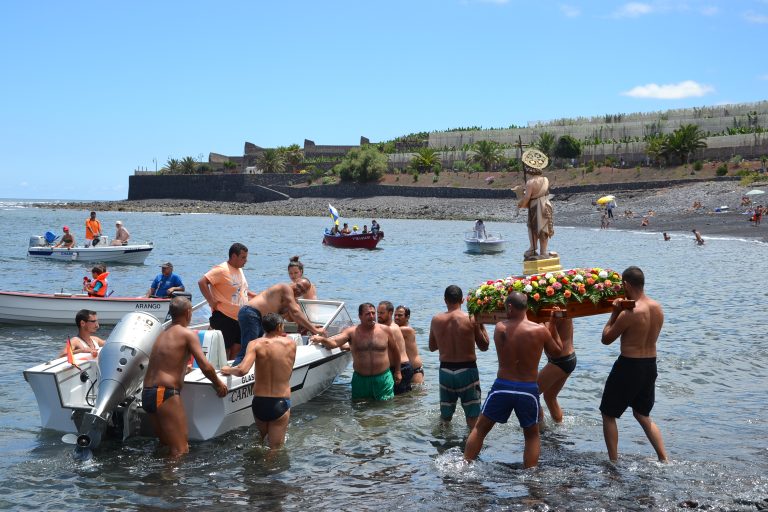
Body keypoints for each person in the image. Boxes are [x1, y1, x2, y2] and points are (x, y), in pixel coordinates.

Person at [464, 292, 562, 468]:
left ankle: (465, 466)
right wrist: (552, 325)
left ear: (510, 307)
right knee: (532, 435)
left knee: (479, 430)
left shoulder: (500, 327)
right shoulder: (540, 331)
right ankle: (531, 475)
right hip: (528, 389)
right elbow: (557, 353)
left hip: (503, 387)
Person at [142, 297, 228, 457]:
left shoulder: (162, 334)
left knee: (165, 445)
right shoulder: (187, 334)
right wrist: (218, 383)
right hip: (163, 394)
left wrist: (183, 370)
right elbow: (205, 365)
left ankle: (155, 481)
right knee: (181, 450)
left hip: (148, 393)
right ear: (188, 313)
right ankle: (171, 481)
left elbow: (164, 362)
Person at [599, 266, 668, 463]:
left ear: (626, 285)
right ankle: (664, 458)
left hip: (629, 365)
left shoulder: (630, 313)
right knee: (642, 413)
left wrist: (614, 313)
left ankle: (613, 461)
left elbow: (606, 339)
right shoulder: (657, 307)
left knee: (608, 413)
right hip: (650, 364)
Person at [221, 313, 296, 449]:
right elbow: (289, 369)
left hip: (259, 402)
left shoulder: (255, 344)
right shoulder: (291, 344)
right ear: (279, 326)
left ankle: (256, 468)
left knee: (261, 442)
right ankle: (267, 469)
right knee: (275, 449)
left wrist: (227, 369)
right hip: (280, 401)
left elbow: (242, 370)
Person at [311, 303, 402, 401]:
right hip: (361, 380)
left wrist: (398, 371)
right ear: (360, 316)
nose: (371, 316)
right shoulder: (351, 332)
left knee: (386, 409)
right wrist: (322, 339)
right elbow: (334, 342)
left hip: (383, 378)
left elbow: (395, 351)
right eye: (367, 314)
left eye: (373, 313)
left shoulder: (385, 330)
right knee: (360, 410)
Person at [428, 285, 490, 428]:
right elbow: (484, 346)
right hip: (467, 371)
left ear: (445, 300)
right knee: (473, 417)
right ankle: (471, 448)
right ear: (462, 300)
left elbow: (431, 347)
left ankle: (444, 446)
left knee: (445, 417)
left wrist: (446, 340)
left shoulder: (436, 319)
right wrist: (481, 324)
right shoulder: (471, 319)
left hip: (445, 372)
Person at [233, 278, 325, 365]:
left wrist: (311, 327)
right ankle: (235, 373)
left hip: (260, 320)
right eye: (299, 286)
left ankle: (248, 373)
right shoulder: (285, 288)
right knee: (248, 349)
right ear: (294, 282)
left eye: (303, 291)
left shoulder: (291, 301)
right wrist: (314, 330)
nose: (299, 290)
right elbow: (296, 312)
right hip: (251, 313)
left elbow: (295, 317)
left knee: (257, 349)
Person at [198, 243, 256, 359]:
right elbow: (202, 282)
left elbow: (242, 289)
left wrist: (257, 296)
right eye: (243, 257)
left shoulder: (239, 270)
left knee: (237, 348)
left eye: (246, 257)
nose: (246, 260)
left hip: (240, 317)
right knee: (224, 350)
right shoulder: (221, 269)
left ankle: (232, 372)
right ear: (234, 256)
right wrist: (211, 301)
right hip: (224, 317)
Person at [517, 151, 555, 260]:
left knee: (532, 227)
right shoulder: (545, 179)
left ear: (529, 170)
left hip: (535, 206)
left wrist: (520, 204)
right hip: (546, 204)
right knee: (544, 229)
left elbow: (527, 197)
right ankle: (543, 251)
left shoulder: (530, 182)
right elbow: (543, 192)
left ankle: (533, 247)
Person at [537, 317, 575, 423]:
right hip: (567, 359)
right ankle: (559, 428)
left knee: (532, 393)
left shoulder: (557, 311)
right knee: (549, 397)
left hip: (560, 361)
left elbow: (546, 334)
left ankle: (540, 429)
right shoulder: (553, 310)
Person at [377, 301, 413, 394]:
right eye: (378, 313)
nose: (378, 315)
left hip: (401, 368)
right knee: (401, 399)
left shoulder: (391, 328)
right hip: (399, 367)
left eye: (381, 313)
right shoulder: (390, 326)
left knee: (399, 400)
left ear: (390, 313)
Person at [394, 305, 424, 384]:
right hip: (404, 369)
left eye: (400, 315)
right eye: (395, 315)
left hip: (415, 370)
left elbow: (387, 330)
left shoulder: (407, 330)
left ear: (407, 317)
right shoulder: (396, 329)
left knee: (416, 395)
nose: (396, 317)